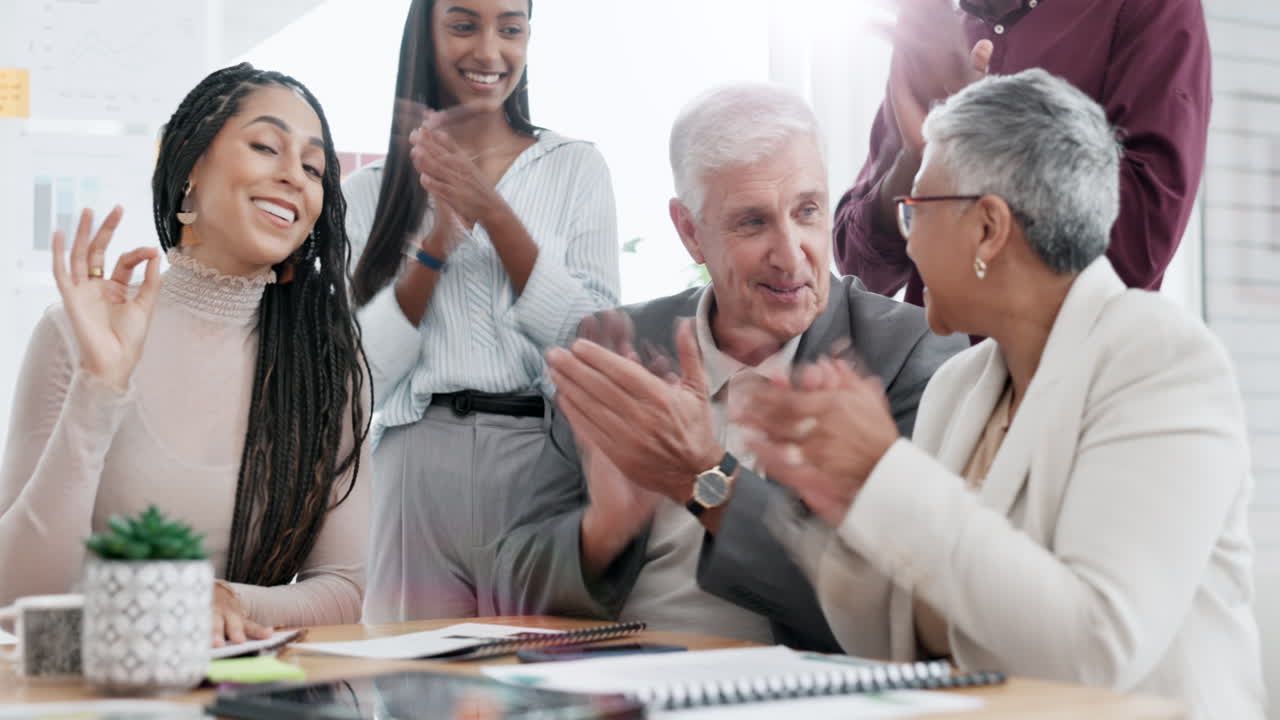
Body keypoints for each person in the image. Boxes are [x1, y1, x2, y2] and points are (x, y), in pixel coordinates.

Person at [739, 70, 1265, 719]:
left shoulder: (1160, 358)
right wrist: (841, 505)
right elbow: (895, 643)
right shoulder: (958, 387)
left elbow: (1094, 650)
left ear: (988, 228)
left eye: (916, 210)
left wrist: (883, 472)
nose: (905, 237)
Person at [491, 83, 966, 649]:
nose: (792, 255)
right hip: (620, 690)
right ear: (690, 231)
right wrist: (600, 533)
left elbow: (897, 613)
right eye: (752, 222)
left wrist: (704, 479)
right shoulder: (615, 346)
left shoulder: (908, 353)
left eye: (807, 210)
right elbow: (509, 584)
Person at [0, 63, 371, 647]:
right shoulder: (77, 333)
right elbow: (15, 600)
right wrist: (99, 389)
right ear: (192, 163)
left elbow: (343, 591)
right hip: (96, 693)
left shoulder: (326, 366)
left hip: (255, 694)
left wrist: (221, 599)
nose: (294, 178)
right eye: (266, 146)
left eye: (313, 167)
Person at [346, 0, 619, 622]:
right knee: (409, 691)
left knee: (546, 687)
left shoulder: (575, 167)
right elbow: (365, 381)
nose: (490, 51)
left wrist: (493, 213)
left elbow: (598, 346)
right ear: (427, 33)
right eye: (464, 24)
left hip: (542, 464)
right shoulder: (369, 192)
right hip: (417, 468)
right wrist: (439, 242)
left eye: (512, 28)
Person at [834, 0, 1211, 305]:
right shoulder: (939, 38)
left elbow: (1138, 244)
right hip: (940, 386)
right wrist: (919, 157)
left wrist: (973, 129)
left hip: (1075, 384)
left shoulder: (1146, 7)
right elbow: (861, 273)